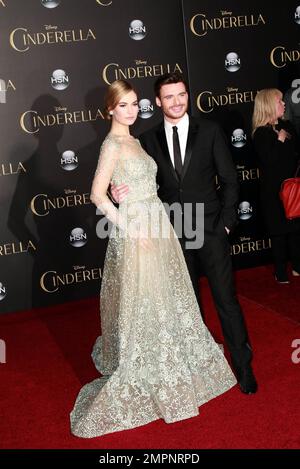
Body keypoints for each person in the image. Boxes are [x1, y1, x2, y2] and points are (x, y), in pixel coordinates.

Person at [70, 79, 237, 438]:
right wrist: (126, 223)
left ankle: (170, 357)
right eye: (124, 105)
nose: (132, 111)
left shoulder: (136, 140)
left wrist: (124, 194)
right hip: (139, 233)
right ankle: (149, 367)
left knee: (166, 298)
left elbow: (140, 183)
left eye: (135, 104)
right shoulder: (113, 143)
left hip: (159, 224)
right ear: (110, 109)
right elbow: (97, 195)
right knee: (145, 300)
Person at [112, 73, 257, 395]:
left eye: (182, 95)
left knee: (225, 299)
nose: (177, 101)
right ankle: (198, 362)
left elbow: (230, 180)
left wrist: (227, 223)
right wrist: (116, 190)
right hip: (171, 231)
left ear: (187, 96)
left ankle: (243, 364)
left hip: (210, 227)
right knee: (185, 303)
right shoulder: (147, 140)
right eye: (169, 96)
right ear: (158, 102)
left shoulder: (210, 131)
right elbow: (137, 182)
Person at [252, 88, 300, 283]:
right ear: (269, 105)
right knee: (278, 233)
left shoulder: (288, 125)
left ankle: (298, 267)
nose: (284, 104)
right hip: (273, 193)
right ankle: (280, 273)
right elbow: (269, 161)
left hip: (293, 189)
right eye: (279, 101)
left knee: (296, 230)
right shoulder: (261, 134)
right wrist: (279, 141)